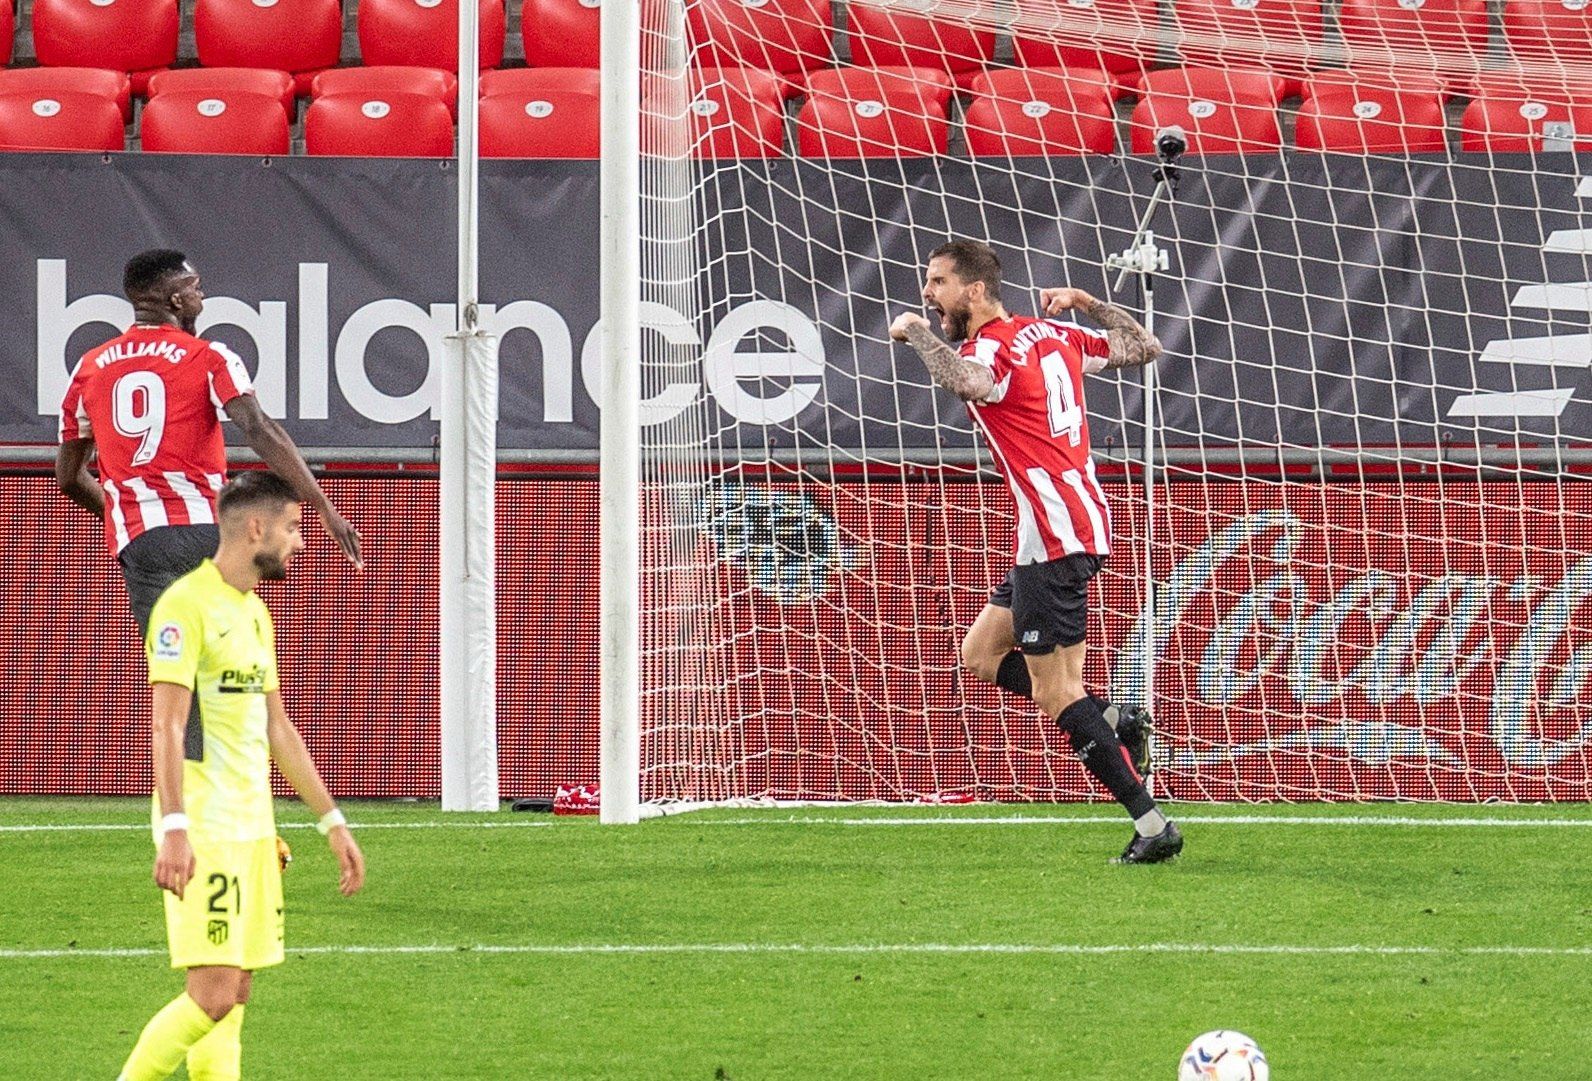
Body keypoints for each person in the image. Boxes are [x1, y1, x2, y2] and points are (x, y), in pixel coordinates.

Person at [890, 238, 1182, 863]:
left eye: (937, 283)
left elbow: (966, 381)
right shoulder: (1053, 334)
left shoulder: (989, 348)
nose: (927, 292)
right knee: (980, 653)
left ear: (974, 291)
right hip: (1056, 532)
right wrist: (1089, 304)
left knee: (1056, 692)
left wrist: (916, 331)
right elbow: (1143, 347)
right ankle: (1112, 719)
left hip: (1057, 536)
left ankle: (1153, 826)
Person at [117, 470, 365, 1081]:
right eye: (293, 527)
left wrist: (331, 822)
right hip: (206, 827)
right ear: (256, 527)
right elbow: (168, 727)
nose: (301, 543)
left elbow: (278, 728)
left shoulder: (254, 612)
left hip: (254, 829)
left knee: (236, 994)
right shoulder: (182, 607)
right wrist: (175, 828)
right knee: (212, 995)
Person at [56, 248, 362, 640]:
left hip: (143, 540)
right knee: (228, 659)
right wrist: (322, 506)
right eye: (196, 288)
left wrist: (124, 518)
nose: (203, 296)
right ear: (176, 300)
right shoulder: (208, 356)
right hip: (210, 531)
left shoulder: (89, 368)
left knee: (175, 669)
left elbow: (67, 477)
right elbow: (259, 428)